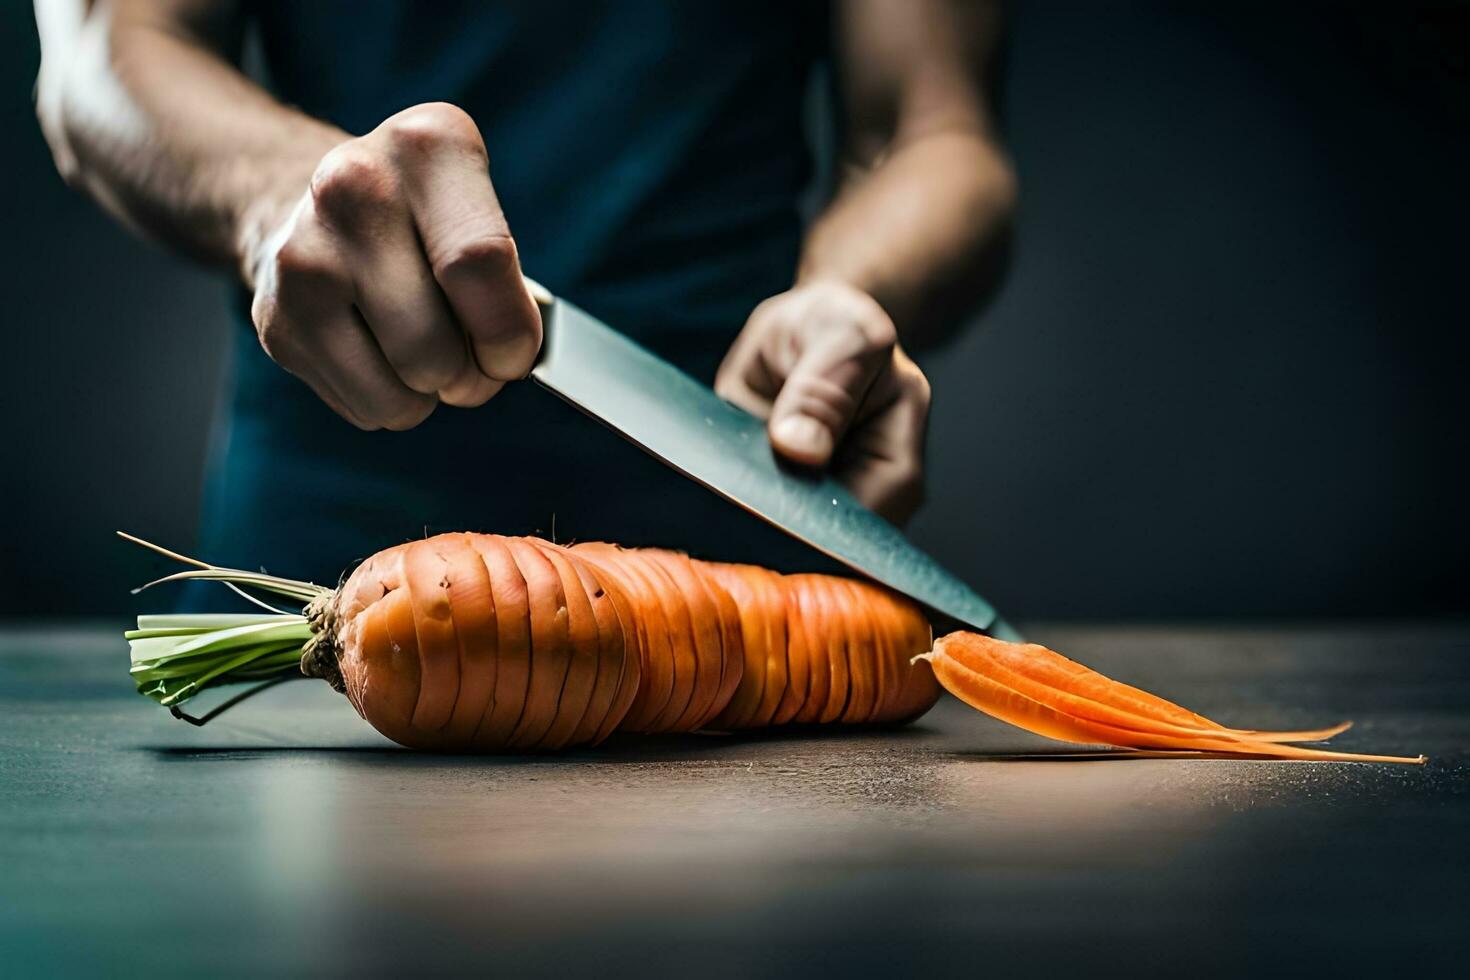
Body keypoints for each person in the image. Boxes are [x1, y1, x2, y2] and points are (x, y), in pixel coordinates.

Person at [36, 0, 1015, 587]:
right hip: (322, 566)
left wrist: (847, 294)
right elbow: (103, 53)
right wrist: (279, 192)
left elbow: (931, 132)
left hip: (751, 570)